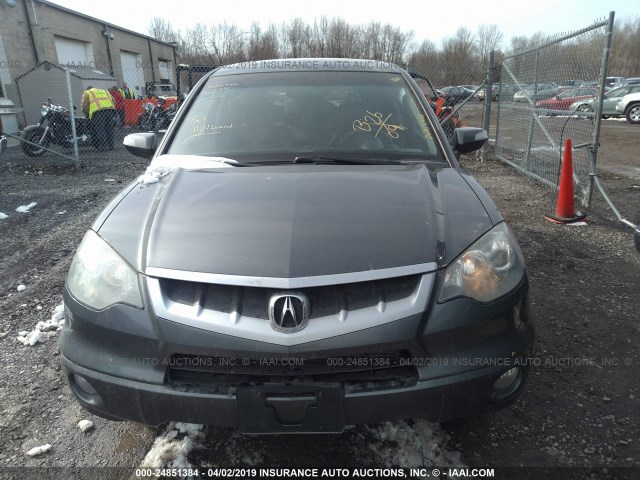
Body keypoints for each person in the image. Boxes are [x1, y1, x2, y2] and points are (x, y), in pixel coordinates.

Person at [81, 85, 116, 151]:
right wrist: (111, 107)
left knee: (100, 129)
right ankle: (111, 146)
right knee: (109, 129)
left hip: (98, 112)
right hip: (110, 110)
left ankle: (103, 147)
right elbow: (114, 100)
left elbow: (85, 104)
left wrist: (85, 112)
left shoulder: (87, 92)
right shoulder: (104, 91)